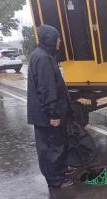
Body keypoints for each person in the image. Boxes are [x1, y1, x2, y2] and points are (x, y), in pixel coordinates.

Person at [27, 24, 73, 190]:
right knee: (51, 147)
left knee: (55, 144)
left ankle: (59, 172)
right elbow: (46, 89)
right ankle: (55, 180)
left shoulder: (41, 55)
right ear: (51, 39)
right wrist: (53, 114)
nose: (60, 40)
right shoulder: (44, 58)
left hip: (45, 114)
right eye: (58, 38)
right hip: (47, 116)